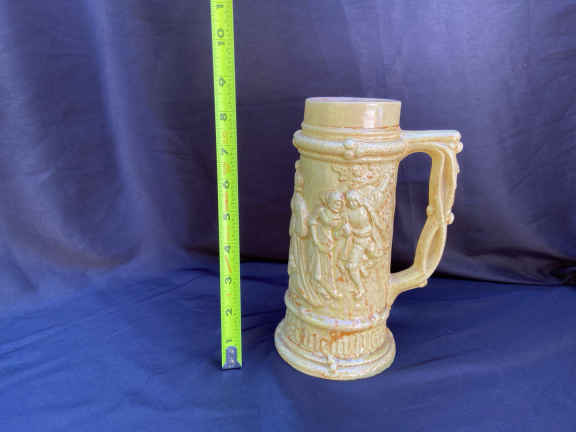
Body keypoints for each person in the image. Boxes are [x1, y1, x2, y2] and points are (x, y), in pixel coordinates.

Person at [308, 191, 346, 299]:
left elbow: (337, 230)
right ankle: (319, 288)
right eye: (336, 202)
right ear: (330, 201)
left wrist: (342, 226)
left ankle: (329, 288)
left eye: (340, 203)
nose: (338, 205)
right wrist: (315, 240)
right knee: (317, 265)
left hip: (329, 242)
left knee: (327, 266)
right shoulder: (321, 211)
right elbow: (312, 222)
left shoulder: (339, 216)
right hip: (319, 240)